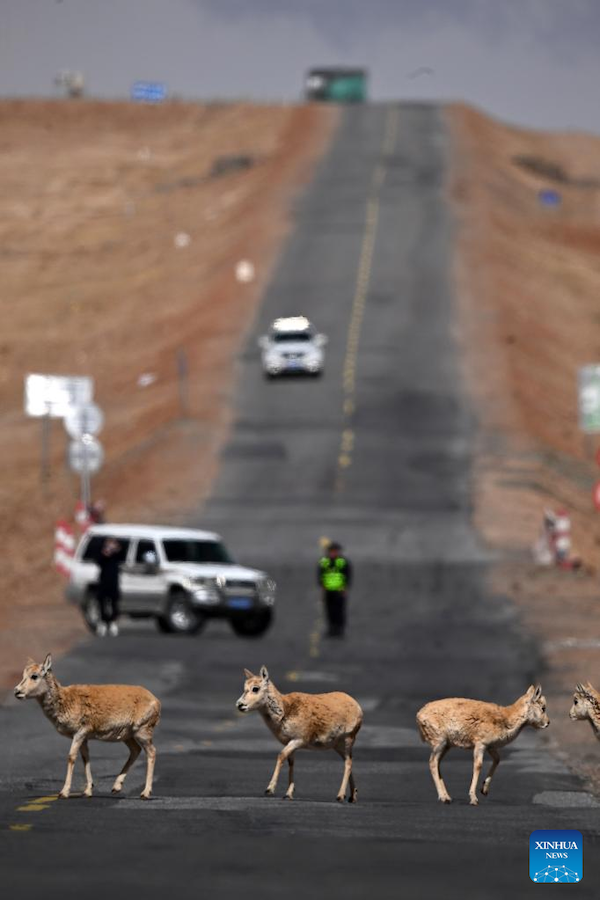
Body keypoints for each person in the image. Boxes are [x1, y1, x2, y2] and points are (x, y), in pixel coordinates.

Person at [318, 541, 352, 638]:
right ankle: (331, 629)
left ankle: (339, 630)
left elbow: (347, 575)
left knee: (339, 610)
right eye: (332, 551)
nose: (333, 553)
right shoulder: (325, 562)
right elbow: (321, 574)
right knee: (329, 610)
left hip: (339, 590)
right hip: (328, 590)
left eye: (335, 551)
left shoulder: (343, 562)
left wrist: (345, 587)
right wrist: (323, 587)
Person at [95, 538, 122, 637]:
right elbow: (99, 561)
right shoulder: (102, 555)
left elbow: (121, 555)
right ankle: (103, 623)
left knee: (114, 603)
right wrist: (105, 553)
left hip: (114, 583)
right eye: (108, 545)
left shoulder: (117, 556)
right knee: (102, 603)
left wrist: (116, 549)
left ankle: (113, 623)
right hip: (103, 582)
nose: (110, 547)